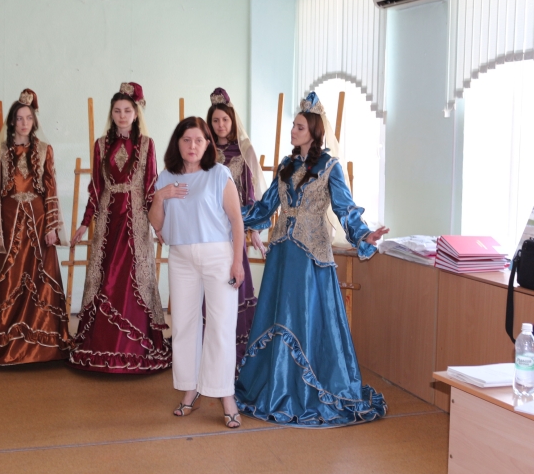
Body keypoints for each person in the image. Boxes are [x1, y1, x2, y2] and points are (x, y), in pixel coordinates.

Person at [235, 92, 389, 426]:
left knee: (307, 319)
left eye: (299, 127)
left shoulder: (330, 167)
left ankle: (307, 390)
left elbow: (345, 208)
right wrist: (230, 213)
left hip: (310, 257)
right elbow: (265, 208)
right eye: (293, 125)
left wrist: (364, 234)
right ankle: (277, 386)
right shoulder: (285, 166)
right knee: (279, 315)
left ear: (314, 131)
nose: (293, 130)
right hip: (281, 254)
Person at [68, 82, 171, 374]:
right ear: (111, 114)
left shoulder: (147, 145)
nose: (122, 115)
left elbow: (150, 188)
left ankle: (135, 345)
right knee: (106, 276)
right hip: (108, 220)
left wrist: (159, 225)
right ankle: (102, 342)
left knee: (132, 276)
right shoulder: (101, 145)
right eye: (117, 111)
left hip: (135, 221)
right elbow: (96, 187)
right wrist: (85, 222)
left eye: (127, 110)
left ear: (136, 114)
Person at [149, 117, 245, 429]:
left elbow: (236, 220)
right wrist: (161, 196)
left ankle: (225, 394)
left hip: (218, 255)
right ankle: (190, 389)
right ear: (177, 143)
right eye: (187, 140)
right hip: (181, 257)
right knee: (184, 324)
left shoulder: (219, 174)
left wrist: (237, 262)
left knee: (221, 325)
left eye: (199, 140)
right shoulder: (166, 177)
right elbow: (157, 223)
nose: (192, 146)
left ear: (207, 145)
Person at [0, 89, 71, 365]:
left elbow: (50, 189)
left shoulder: (45, 149)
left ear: (34, 121)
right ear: (12, 121)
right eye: (20, 118)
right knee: (4, 277)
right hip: (9, 221)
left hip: (38, 221)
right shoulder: (1, 150)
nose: (24, 123)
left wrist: (52, 226)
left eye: (29, 118)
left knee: (38, 278)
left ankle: (40, 342)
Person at [205, 87, 265, 364]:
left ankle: (235, 347)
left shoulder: (244, 150)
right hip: (208, 228)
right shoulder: (204, 150)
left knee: (233, 277)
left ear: (232, 120)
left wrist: (253, 229)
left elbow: (250, 194)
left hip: (234, 227)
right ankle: (210, 347)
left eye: (225, 120)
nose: (220, 125)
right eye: (215, 120)